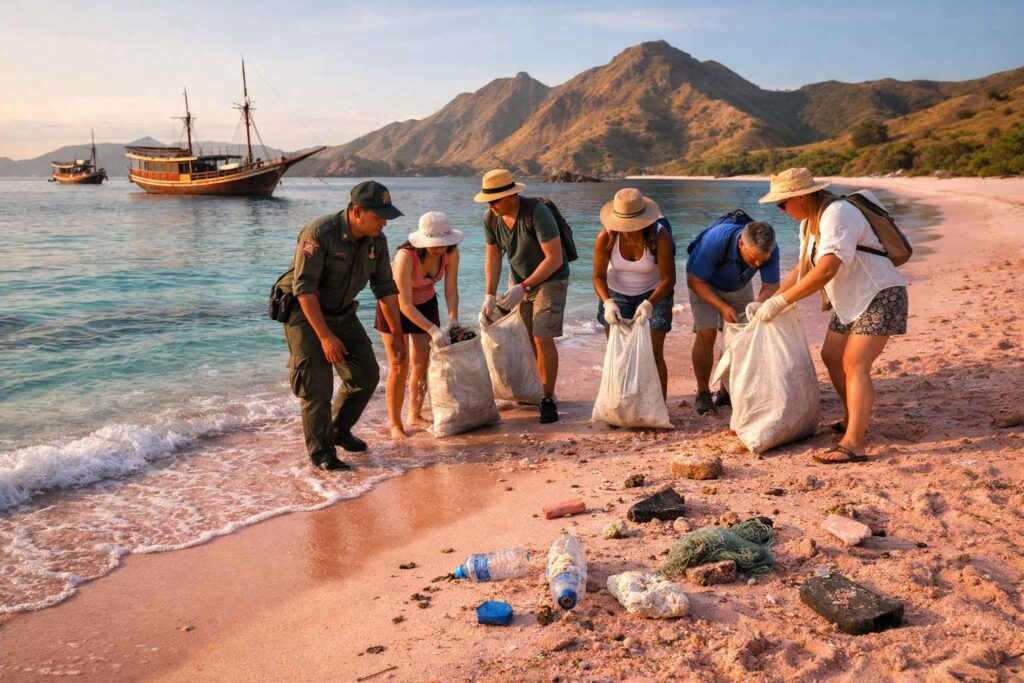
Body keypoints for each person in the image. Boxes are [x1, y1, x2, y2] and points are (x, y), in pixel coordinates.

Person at [754, 168, 908, 464]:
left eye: (782, 204)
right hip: (849, 301)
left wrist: (782, 301)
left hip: (880, 294)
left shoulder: (837, 213)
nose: (782, 211)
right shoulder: (809, 224)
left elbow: (827, 269)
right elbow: (804, 270)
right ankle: (854, 417)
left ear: (800, 197)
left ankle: (854, 443)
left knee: (854, 364)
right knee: (831, 356)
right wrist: (772, 301)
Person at [280, 180, 406, 471]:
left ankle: (338, 430)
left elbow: (385, 288)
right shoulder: (319, 234)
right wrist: (325, 337)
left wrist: (397, 335)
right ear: (357, 211)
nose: (384, 223)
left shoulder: (377, 241)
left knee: (367, 375)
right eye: (379, 216)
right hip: (304, 312)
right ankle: (322, 453)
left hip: (343, 312)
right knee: (317, 387)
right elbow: (304, 289)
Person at [475, 169, 569, 424]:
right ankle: (534, 390)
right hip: (519, 281)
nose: (491, 206)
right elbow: (493, 257)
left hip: (551, 278)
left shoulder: (537, 213)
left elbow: (555, 258)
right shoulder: (491, 219)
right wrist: (489, 295)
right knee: (524, 336)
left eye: (495, 200)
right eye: (488, 201)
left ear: (512, 195)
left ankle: (547, 398)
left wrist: (524, 287)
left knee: (542, 335)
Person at [374, 211, 462, 440]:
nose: (440, 248)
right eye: (435, 244)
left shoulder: (451, 252)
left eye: (444, 244)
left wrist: (453, 318)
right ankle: (395, 423)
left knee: (422, 363)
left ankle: (414, 414)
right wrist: (433, 330)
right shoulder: (406, 256)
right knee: (399, 365)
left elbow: (450, 288)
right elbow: (403, 304)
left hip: (426, 303)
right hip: (395, 307)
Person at [686, 216, 780, 414]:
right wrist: (721, 307)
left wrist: (757, 306)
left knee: (741, 335)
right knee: (707, 332)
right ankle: (703, 393)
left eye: (761, 261)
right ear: (740, 244)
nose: (756, 263)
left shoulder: (771, 249)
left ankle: (726, 391)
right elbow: (694, 281)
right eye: (753, 258)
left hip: (739, 284)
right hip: (704, 283)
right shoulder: (717, 240)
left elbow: (771, 284)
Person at [593, 188, 677, 398]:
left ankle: (658, 407)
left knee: (653, 353)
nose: (628, 230)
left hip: (656, 292)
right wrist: (608, 303)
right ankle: (620, 405)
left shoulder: (659, 236)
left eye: (633, 225)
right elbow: (598, 277)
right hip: (616, 293)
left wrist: (649, 303)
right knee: (619, 354)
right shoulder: (607, 236)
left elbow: (668, 279)